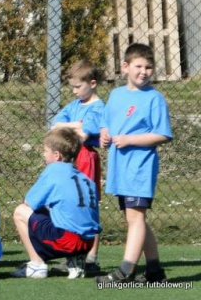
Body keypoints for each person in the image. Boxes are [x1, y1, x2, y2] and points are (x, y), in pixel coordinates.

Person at [95, 43, 172, 284]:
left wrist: (130, 139)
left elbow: (163, 134)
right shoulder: (117, 95)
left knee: (136, 218)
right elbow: (107, 123)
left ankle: (125, 272)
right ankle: (155, 271)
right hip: (121, 168)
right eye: (139, 66)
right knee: (134, 219)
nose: (144, 71)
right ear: (125, 67)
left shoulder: (154, 98)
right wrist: (105, 134)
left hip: (140, 167)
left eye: (149, 67)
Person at [11, 127, 102, 279]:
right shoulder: (85, 178)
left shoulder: (54, 170)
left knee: (20, 212)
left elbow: (29, 202)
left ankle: (36, 265)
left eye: (46, 151)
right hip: (88, 242)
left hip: (67, 240)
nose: (43, 154)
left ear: (57, 155)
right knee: (56, 214)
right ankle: (75, 259)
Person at [50, 59, 104, 275]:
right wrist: (76, 125)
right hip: (69, 159)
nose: (73, 91)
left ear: (92, 83)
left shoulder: (99, 108)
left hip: (85, 158)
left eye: (77, 87)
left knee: (87, 204)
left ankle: (91, 257)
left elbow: (84, 134)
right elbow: (55, 125)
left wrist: (73, 127)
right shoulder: (74, 106)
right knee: (69, 202)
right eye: (71, 87)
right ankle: (73, 256)